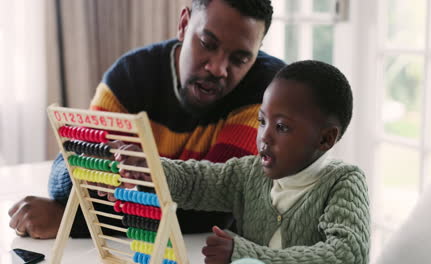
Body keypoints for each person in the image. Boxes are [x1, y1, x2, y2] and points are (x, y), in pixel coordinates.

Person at [8, 0, 284, 239]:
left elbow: (212, 207)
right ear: (185, 24)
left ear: (257, 52)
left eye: (240, 59)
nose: (218, 68)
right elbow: (71, 174)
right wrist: (90, 176)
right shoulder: (130, 76)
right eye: (207, 44)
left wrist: (73, 222)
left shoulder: (268, 91)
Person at [117, 60, 370, 263]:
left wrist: (248, 254)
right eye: (262, 121)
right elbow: (197, 180)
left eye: (281, 127)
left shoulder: (344, 181)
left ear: (325, 139)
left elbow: (346, 255)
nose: (264, 136)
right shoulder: (250, 172)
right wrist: (150, 168)